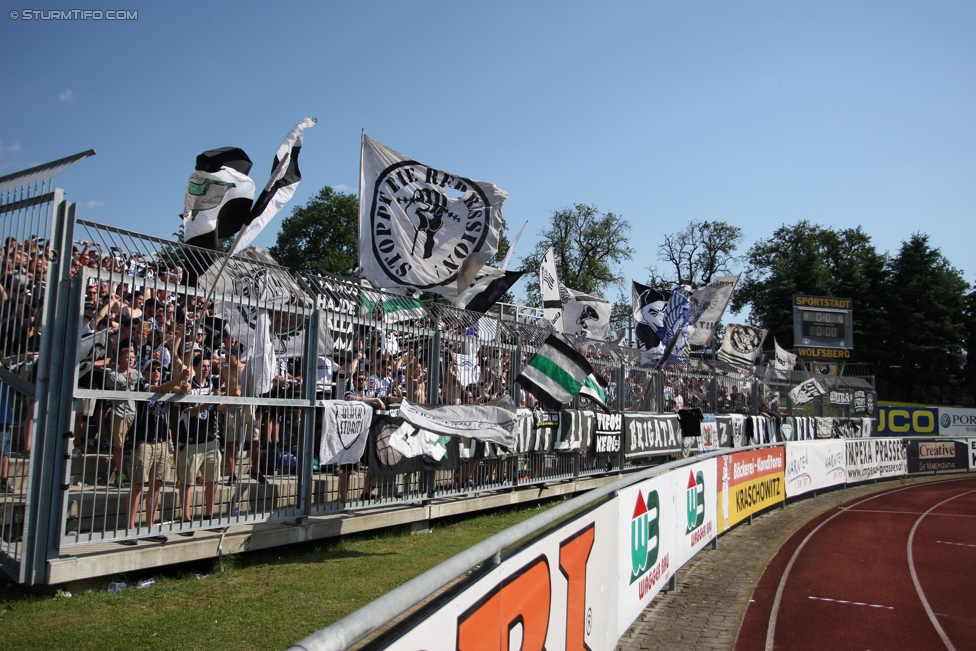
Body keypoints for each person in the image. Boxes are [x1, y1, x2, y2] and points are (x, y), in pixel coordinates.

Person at [123, 360, 190, 536]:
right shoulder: (142, 385)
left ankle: (150, 527)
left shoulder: (167, 387)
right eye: (152, 369)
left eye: (159, 369)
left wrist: (185, 387)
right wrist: (179, 379)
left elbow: (178, 391)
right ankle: (130, 527)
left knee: (157, 485)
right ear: (145, 372)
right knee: (138, 485)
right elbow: (160, 389)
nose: (156, 372)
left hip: (161, 441)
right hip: (144, 441)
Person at [175, 353, 223, 534]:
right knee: (187, 481)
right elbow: (189, 412)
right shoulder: (188, 387)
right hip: (191, 440)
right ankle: (186, 518)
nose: (206, 368)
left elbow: (221, 408)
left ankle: (209, 516)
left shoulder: (213, 385)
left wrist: (228, 398)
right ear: (195, 367)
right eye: (202, 365)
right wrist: (209, 401)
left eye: (208, 366)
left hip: (211, 439)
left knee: (213, 480)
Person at [220, 345, 263, 484]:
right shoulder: (225, 370)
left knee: (255, 440)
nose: (226, 358)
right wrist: (221, 394)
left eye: (229, 356)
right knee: (230, 443)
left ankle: (256, 470)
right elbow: (218, 386)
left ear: (236, 357)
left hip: (246, 407)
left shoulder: (246, 369)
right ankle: (232, 474)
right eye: (225, 356)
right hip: (231, 407)